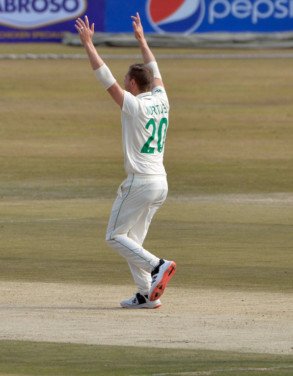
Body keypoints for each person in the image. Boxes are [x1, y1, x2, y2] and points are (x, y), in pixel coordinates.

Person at [75, 14, 176, 309]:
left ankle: (158, 265)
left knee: (114, 236)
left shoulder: (134, 105)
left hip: (140, 182)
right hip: (161, 183)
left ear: (132, 83)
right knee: (132, 239)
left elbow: (105, 78)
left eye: (126, 81)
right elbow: (155, 70)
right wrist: (142, 41)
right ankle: (146, 294)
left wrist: (88, 45)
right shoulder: (162, 99)